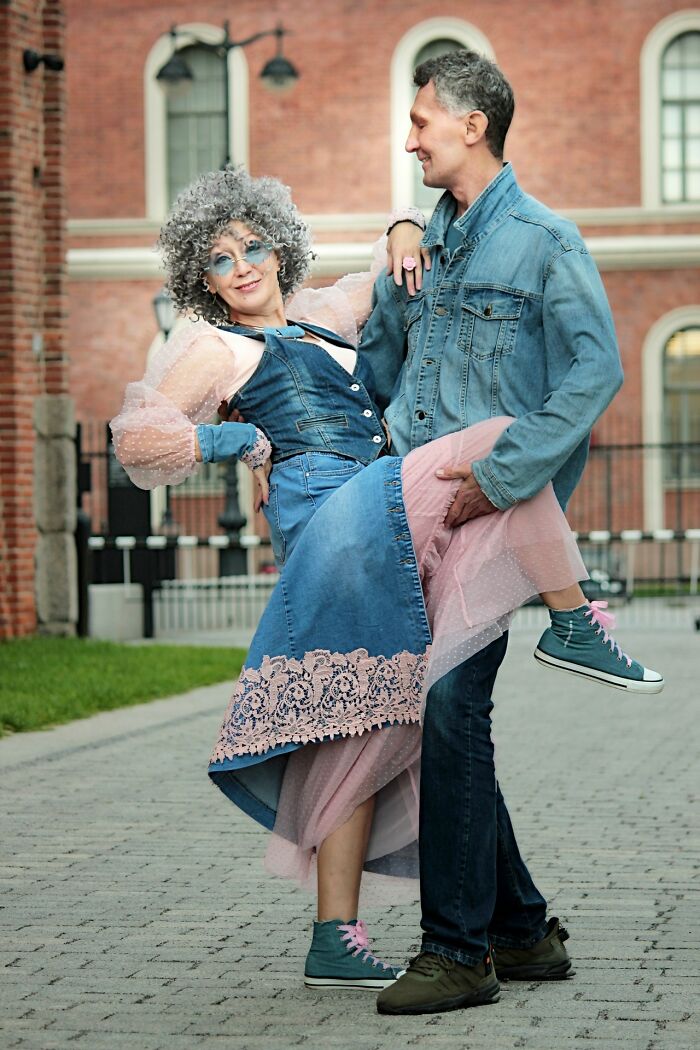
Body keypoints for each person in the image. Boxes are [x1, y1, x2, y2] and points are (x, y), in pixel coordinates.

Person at [110, 165, 660, 996]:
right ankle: (574, 618)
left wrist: (404, 226)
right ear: (204, 277)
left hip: (381, 525)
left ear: (279, 247)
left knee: (371, 716)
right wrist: (235, 445)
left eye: (255, 245)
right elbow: (138, 438)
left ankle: (342, 934)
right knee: (502, 439)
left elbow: (388, 259)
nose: (245, 265)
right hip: (335, 521)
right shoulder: (208, 345)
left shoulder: (324, 317)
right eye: (222, 260)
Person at [353, 50, 660, 1015]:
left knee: (450, 709)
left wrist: (502, 477)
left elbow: (594, 371)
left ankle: (459, 951)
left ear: (474, 123)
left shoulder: (544, 241)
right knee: (444, 722)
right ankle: (522, 930)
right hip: (413, 512)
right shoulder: (423, 245)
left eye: (421, 122)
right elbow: (381, 379)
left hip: (494, 510)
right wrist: (393, 268)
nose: (409, 139)